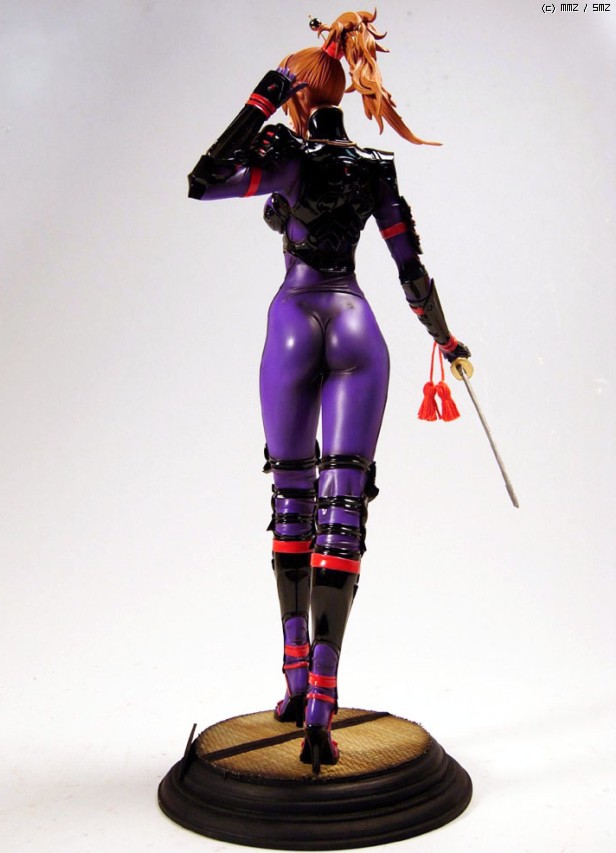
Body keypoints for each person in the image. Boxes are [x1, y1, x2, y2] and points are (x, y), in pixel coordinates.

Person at [187, 10, 469, 773]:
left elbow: (203, 180)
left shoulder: (285, 153)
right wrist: (447, 340)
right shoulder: (377, 167)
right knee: (344, 511)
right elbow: (411, 270)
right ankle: (321, 696)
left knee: (293, 499)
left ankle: (292, 673)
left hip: (295, 319)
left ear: (297, 96)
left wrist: (262, 95)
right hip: (357, 326)